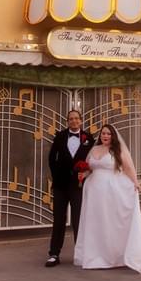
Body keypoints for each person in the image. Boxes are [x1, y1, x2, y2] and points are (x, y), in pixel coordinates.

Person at [73, 123, 141, 273]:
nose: (105, 136)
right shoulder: (94, 149)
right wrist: (84, 174)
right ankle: (95, 255)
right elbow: (91, 168)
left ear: (113, 136)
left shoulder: (117, 151)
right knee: (96, 223)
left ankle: (114, 257)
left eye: (108, 134)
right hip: (94, 194)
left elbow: (128, 168)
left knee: (110, 223)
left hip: (111, 192)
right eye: (103, 133)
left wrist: (135, 183)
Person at [46, 108, 93, 267]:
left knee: (78, 220)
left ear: (80, 120)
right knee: (58, 219)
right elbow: (52, 158)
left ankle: (80, 254)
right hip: (60, 185)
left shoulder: (89, 138)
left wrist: (85, 174)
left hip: (78, 186)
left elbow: (92, 160)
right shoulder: (60, 136)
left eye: (76, 118)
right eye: (70, 119)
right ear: (68, 121)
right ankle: (54, 254)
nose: (73, 121)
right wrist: (56, 175)